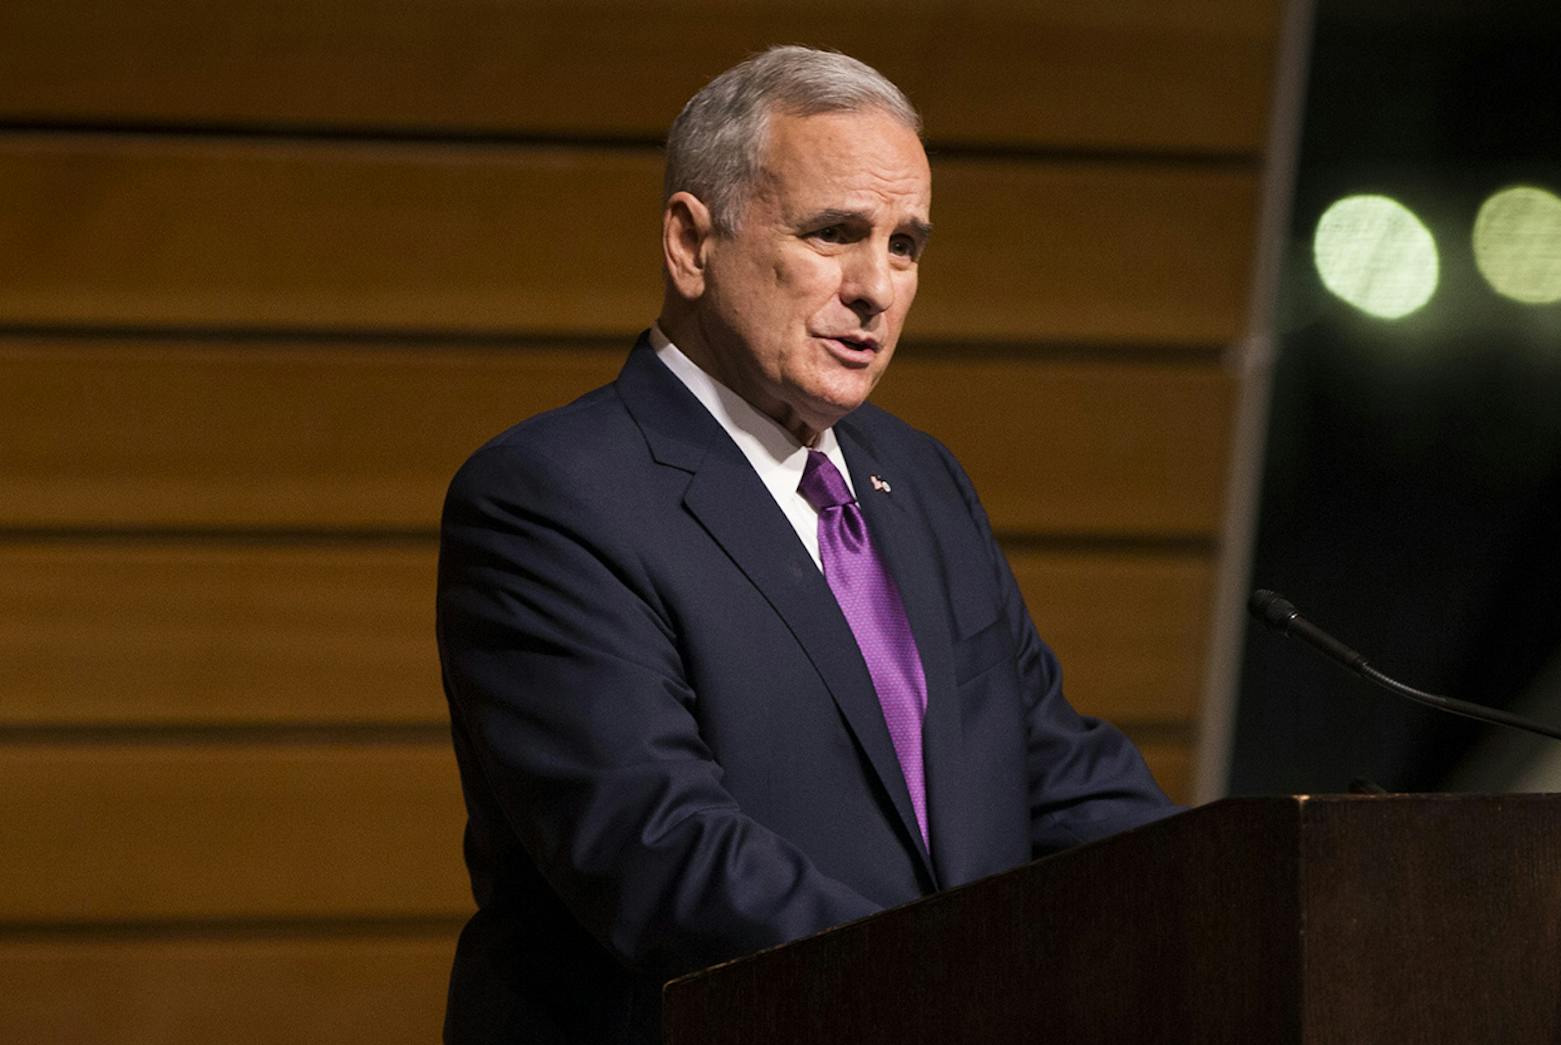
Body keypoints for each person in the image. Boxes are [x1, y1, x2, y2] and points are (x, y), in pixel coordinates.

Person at [435, 45, 1179, 1044]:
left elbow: (1058, 772)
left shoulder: (919, 480)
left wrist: (1248, 897)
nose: (877, 287)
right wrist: (969, 988)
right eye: (836, 234)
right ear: (692, 244)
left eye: (906, 244)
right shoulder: (553, 497)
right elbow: (662, 853)